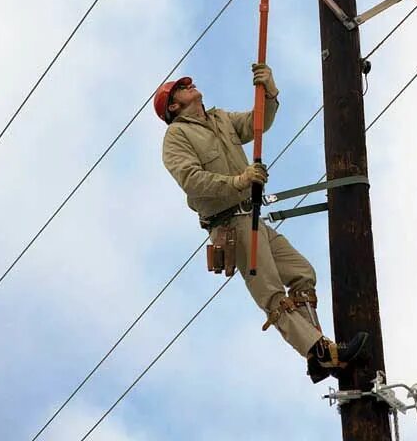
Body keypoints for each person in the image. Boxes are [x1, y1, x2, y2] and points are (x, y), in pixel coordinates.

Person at [154, 64, 368, 383]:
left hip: (251, 216)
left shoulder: (219, 119)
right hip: (229, 224)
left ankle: (317, 349)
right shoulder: (176, 137)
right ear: (174, 105)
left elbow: (258, 122)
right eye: (182, 87)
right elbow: (192, 181)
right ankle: (320, 351)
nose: (190, 85)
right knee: (271, 294)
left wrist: (269, 90)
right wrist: (240, 180)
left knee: (301, 272)